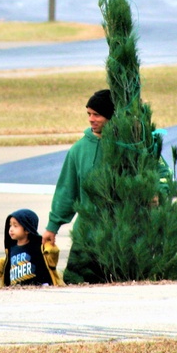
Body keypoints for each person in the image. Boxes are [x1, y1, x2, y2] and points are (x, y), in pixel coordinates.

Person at [41, 89, 114, 282]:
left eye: (96, 114)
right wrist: (52, 226)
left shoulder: (130, 147)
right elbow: (67, 190)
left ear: (111, 115)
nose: (91, 119)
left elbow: (159, 176)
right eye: (89, 114)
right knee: (76, 284)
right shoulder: (78, 150)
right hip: (87, 234)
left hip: (122, 234)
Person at [0, 208, 64, 287]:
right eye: (10, 225)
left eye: (15, 226)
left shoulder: (39, 247)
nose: (11, 229)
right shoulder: (11, 250)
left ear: (27, 230)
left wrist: (50, 247)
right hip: (15, 292)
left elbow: (52, 256)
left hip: (40, 290)